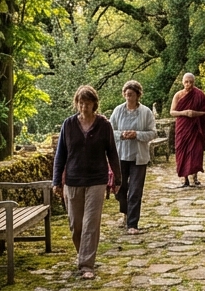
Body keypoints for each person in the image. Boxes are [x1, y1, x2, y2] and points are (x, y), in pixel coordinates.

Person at [52, 86, 123, 279]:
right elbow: (60, 155)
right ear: (77, 104)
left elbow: (112, 153)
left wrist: (117, 178)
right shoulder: (68, 125)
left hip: (96, 180)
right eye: (80, 103)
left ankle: (86, 265)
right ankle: (83, 253)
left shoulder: (104, 125)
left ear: (94, 104)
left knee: (91, 222)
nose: (84, 106)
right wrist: (56, 181)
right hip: (73, 180)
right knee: (76, 224)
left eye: (87, 103)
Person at [110, 80, 156, 235]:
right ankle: (125, 212)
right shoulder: (117, 111)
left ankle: (132, 224)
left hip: (138, 157)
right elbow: (110, 132)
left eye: (131, 94)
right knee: (120, 189)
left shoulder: (145, 112)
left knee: (135, 190)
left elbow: (152, 133)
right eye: (126, 94)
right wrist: (121, 134)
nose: (128, 97)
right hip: (121, 156)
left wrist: (137, 135)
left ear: (137, 95)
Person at [170, 73, 205, 189]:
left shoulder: (199, 94)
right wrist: (185, 113)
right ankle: (185, 179)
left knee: (196, 152)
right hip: (182, 127)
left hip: (195, 127)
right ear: (182, 82)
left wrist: (195, 113)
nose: (188, 84)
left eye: (191, 82)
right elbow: (172, 112)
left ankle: (195, 177)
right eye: (186, 82)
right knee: (182, 151)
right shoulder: (178, 95)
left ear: (194, 82)